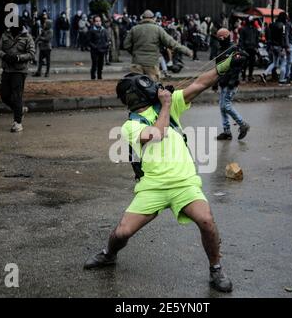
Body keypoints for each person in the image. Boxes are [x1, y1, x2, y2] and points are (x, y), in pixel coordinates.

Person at [83, 50, 247, 293]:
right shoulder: (130, 125)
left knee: (207, 221)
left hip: (184, 183)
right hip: (153, 186)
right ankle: (109, 254)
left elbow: (201, 83)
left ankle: (216, 269)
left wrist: (227, 65)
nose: (154, 87)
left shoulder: (169, 105)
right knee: (122, 232)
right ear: (134, 95)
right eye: (146, 85)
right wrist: (167, 104)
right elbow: (156, 135)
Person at [124, 10, 192, 81]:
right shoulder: (158, 29)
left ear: (142, 18)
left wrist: (134, 53)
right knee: (152, 88)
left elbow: (126, 45)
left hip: (137, 64)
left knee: (137, 86)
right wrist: (187, 51)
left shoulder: (134, 29)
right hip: (152, 64)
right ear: (153, 18)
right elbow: (172, 43)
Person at [0, 18, 35, 132]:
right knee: (4, 95)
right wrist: (5, 56)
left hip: (20, 71)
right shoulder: (5, 35)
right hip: (7, 69)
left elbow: (32, 53)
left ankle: (18, 123)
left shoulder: (27, 37)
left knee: (17, 96)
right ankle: (19, 110)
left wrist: (19, 58)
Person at [215, 28, 250, 141]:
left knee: (226, 106)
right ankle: (227, 132)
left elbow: (240, 63)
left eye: (221, 37)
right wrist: (215, 82)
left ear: (226, 37)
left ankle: (243, 124)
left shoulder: (234, 48)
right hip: (223, 82)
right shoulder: (220, 50)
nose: (220, 40)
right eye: (218, 38)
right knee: (222, 107)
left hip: (231, 83)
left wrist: (233, 80)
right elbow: (218, 68)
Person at [260, 12, 289, 85]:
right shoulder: (283, 26)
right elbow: (282, 37)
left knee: (274, 63)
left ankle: (264, 73)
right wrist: (284, 47)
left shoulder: (272, 24)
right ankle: (281, 80)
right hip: (280, 46)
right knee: (283, 63)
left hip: (273, 46)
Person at [239, 16, 259, 82]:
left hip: (252, 48)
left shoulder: (255, 29)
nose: (251, 22)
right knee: (244, 63)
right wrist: (242, 48)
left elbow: (256, 39)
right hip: (246, 48)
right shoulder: (243, 29)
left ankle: (250, 76)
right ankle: (244, 76)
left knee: (251, 63)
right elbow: (241, 40)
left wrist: (256, 47)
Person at [88, 16, 109, 80]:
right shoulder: (91, 30)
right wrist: (94, 47)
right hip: (95, 51)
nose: (98, 23)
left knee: (100, 65)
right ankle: (93, 77)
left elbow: (107, 39)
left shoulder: (104, 30)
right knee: (94, 64)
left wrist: (106, 45)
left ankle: (99, 77)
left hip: (102, 50)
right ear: (94, 22)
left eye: (99, 21)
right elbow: (89, 41)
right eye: (96, 21)